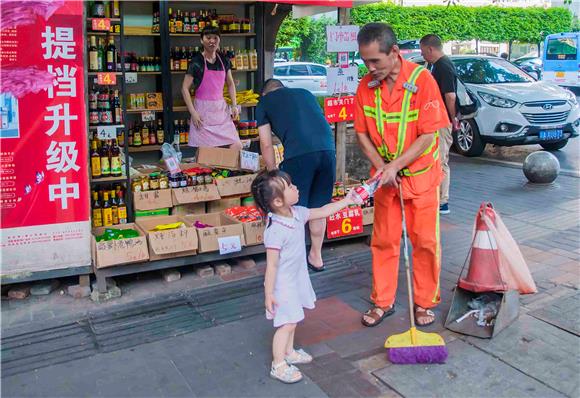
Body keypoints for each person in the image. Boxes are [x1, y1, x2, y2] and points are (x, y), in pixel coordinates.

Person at [354, 23, 450, 328]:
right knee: (383, 241)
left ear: (394, 52)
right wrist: (385, 169)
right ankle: (382, 302)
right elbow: (361, 134)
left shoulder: (424, 81)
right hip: (385, 181)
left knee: (424, 242)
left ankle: (424, 303)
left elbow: (427, 136)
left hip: (420, 179)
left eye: (375, 61)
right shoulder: (365, 86)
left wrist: (396, 166)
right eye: (365, 61)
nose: (370, 68)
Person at [251, 169, 356, 383]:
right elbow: (271, 266)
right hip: (283, 284)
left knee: (295, 317)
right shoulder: (275, 230)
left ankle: (289, 352)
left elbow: (324, 210)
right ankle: (278, 364)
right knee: (287, 323)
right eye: (289, 186)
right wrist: (268, 293)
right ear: (278, 201)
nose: (295, 187)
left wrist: (348, 200)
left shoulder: (297, 213)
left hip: (297, 278)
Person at [257, 79, 336, 272]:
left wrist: (273, 173)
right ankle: (316, 257)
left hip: (299, 155)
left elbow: (266, 144)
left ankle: (295, 260)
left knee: (294, 208)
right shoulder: (306, 93)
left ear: (265, 94)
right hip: (328, 150)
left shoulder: (264, 103)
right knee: (318, 206)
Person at [181, 26, 241, 149]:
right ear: (202, 40)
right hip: (203, 112)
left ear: (219, 40)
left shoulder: (224, 60)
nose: (212, 41)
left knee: (237, 145)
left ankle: (227, 167)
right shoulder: (196, 62)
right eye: (208, 38)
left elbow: (230, 83)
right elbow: (184, 88)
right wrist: (193, 113)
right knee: (207, 154)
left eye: (215, 38)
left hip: (221, 111)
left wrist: (234, 105)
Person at [420, 34, 458, 215]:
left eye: (422, 51)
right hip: (436, 119)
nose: (422, 55)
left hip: (443, 120)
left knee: (441, 159)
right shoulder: (437, 66)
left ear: (430, 49)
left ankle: (443, 201)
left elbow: (450, 95)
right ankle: (436, 198)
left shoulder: (443, 66)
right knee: (436, 158)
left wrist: (452, 117)